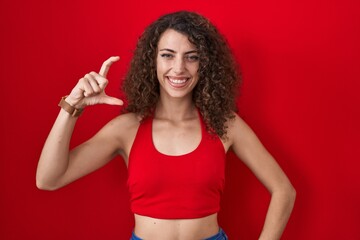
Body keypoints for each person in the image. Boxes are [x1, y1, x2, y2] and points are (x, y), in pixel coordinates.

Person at [36, 11, 296, 240]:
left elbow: (284, 190)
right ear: (153, 61)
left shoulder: (225, 124)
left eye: (191, 57)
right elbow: (49, 179)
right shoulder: (126, 129)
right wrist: (72, 106)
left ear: (204, 65)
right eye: (167, 55)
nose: (178, 68)